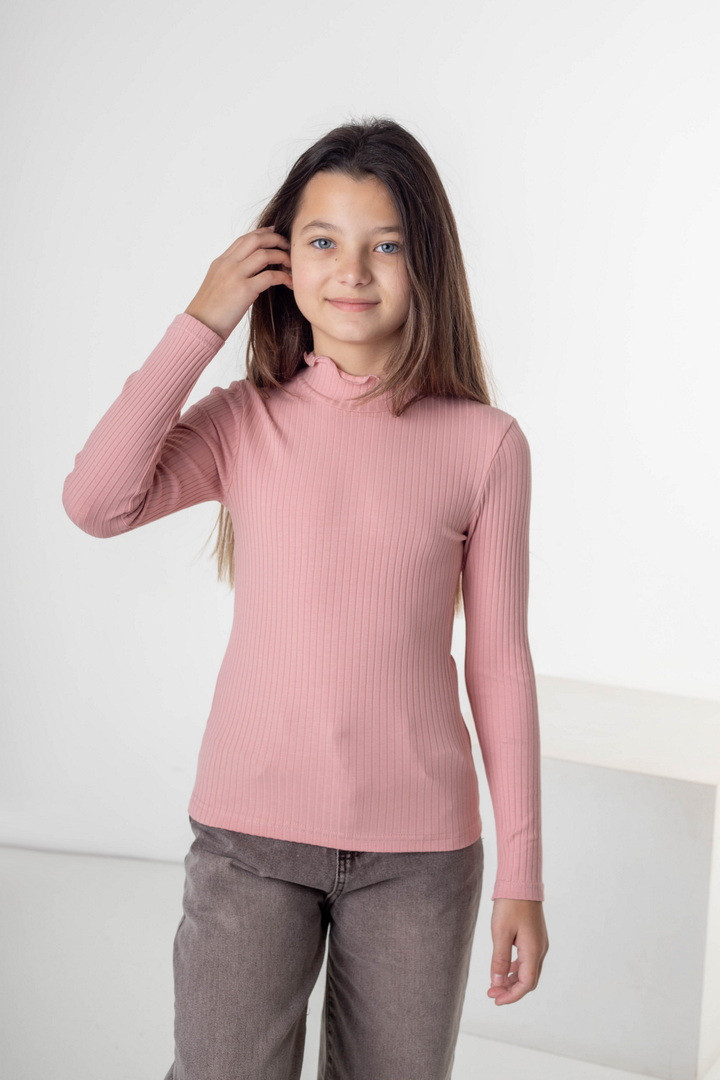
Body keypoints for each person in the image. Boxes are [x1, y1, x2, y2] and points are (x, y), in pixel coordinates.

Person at [62, 116, 549, 1080]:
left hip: (420, 863)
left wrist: (522, 877)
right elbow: (95, 501)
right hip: (249, 844)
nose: (352, 272)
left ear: (427, 264)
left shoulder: (486, 444)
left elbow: (499, 666)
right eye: (323, 241)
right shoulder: (243, 422)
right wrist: (203, 318)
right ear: (280, 260)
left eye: (386, 246)